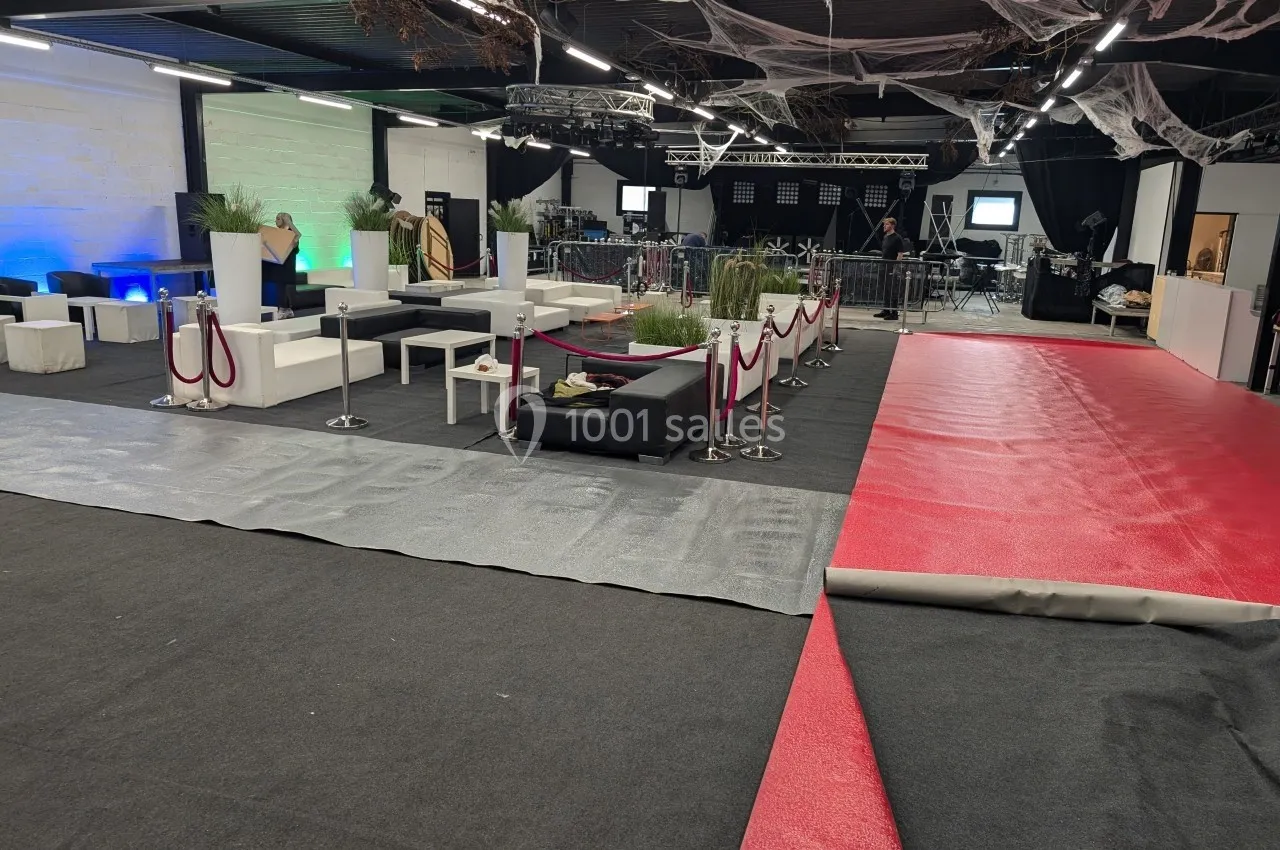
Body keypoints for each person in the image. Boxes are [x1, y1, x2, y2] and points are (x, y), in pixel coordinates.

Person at [874, 217, 906, 320]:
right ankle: (886, 310)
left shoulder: (897, 238)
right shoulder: (885, 237)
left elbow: (900, 254)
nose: (884, 226)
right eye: (884, 224)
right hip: (884, 265)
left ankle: (894, 312)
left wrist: (895, 267)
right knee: (885, 289)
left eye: (886, 224)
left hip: (891, 267)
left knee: (892, 290)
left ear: (892, 225)